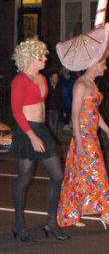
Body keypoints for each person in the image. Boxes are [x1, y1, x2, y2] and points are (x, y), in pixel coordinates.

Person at [56, 22, 109, 229]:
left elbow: (94, 114)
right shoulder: (81, 84)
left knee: (77, 176)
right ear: (95, 64)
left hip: (91, 137)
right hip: (83, 138)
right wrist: (78, 142)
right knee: (97, 174)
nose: (105, 67)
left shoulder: (93, 84)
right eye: (103, 64)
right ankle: (106, 214)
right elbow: (75, 115)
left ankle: (70, 213)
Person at [10, 37, 68, 242]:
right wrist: (32, 135)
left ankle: (51, 223)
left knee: (57, 175)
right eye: (41, 55)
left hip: (41, 129)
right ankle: (18, 224)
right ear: (30, 57)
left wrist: (52, 85)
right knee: (24, 178)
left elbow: (41, 104)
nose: (45, 57)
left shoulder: (42, 78)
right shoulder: (19, 80)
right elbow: (17, 112)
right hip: (26, 131)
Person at [45, 71, 64, 137]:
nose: (56, 79)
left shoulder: (58, 88)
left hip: (56, 109)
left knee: (55, 125)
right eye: (54, 77)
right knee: (50, 126)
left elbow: (60, 99)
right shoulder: (48, 87)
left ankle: (54, 138)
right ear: (51, 78)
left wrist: (62, 110)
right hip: (49, 110)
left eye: (57, 77)